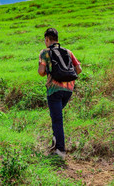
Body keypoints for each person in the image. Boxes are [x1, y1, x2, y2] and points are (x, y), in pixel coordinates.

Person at [38, 28, 82, 160]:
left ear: (47, 39)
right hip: (68, 90)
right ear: (57, 38)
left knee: (57, 119)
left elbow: (41, 71)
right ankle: (55, 143)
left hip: (54, 90)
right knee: (55, 117)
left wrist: (50, 72)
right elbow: (78, 69)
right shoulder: (68, 52)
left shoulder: (45, 52)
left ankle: (60, 151)